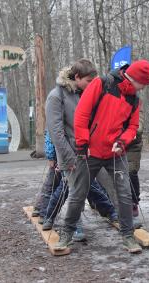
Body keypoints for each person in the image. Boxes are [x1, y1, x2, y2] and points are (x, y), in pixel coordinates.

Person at [53, 60, 149, 253]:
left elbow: (132, 127)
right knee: (78, 193)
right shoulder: (102, 84)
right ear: (135, 79)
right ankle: (67, 233)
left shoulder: (134, 100)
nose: (144, 88)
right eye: (143, 84)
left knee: (124, 194)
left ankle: (127, 235)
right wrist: (82, 145)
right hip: (90, 151)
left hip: (116, 152)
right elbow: (81, 114)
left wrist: (123, 141)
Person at [45, 59, 97, 243]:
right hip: (70, 154)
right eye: (89, 81)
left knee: (81, 189)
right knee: (75, 190)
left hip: (87, 151)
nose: (92, 85)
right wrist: (68, 158)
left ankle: (74, 222)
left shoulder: (83, 93)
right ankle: (74, 226)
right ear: (77, 77)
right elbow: (56, 132)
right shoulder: (56, 96)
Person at [31, 131, 61, 221]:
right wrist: (51, 156)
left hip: (59, 156)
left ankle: (39, 208)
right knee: (50, 186)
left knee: (50, 185)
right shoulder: (55, 118)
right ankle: (44, 213)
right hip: (57, 157)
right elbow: (49, 138)